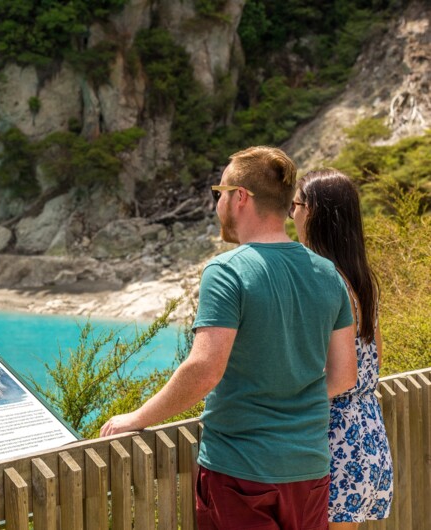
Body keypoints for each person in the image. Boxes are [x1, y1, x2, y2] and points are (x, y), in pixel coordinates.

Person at [100, 146, 358, 530]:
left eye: (219, 192)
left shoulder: (227, 271)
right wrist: (291, 401)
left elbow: (205, 369)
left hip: (241, 470)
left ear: (240, 198)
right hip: (309, 470)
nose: (216, 202)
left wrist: (136, 418)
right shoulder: (326, 273)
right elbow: (344, 377)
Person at [291, 169, 393, 529]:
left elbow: (340, 377)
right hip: (366, 429)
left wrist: (286, 402)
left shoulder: (324, 279)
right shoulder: (359, 278)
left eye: (296, 204)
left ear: (315, 212)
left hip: (334, 436)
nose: (291, 214)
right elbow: (375, 358)